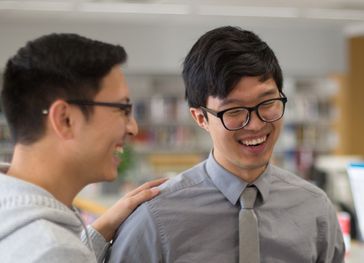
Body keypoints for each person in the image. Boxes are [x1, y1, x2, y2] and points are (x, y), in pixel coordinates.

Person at [108, 26, 345, 262]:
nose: (254, 124)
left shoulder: (316, 210)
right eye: (234, 110)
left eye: (267, 103)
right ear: (201, 118)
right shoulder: (155, 219)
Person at [0, 33, 166, 262]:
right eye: (122, 109)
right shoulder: (54, 250)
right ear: (65, 119)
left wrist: (100, 230)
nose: (133, 128)